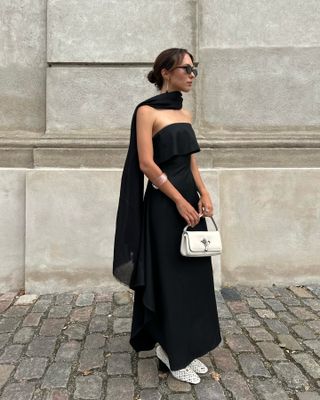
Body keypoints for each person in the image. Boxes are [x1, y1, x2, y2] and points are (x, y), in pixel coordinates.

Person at [113, 48, 221, 384]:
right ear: (165, 71)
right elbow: (147, 164)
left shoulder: (184, 115)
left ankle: (179, 346)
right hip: (164, 206)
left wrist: (203, 192)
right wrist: (177, 200)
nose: (191, 75)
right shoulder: (146, 111)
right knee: (170, 280)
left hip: (190, 203)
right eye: (186, 68)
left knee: (192, 278)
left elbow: (189, 160)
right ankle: (175, 356)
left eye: (194, 69)